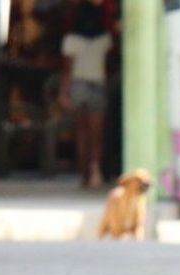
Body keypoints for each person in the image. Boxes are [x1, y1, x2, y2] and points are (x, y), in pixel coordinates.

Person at [61, 0, 113, 191]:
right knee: (96, 135)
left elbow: (67, 70)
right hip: (98, 86)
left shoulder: (71, 40)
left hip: (79, 87)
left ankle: (83, 174)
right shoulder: (105, 39)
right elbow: (107, 64)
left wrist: (64, 93)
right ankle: (95, 170)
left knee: (82, 134)